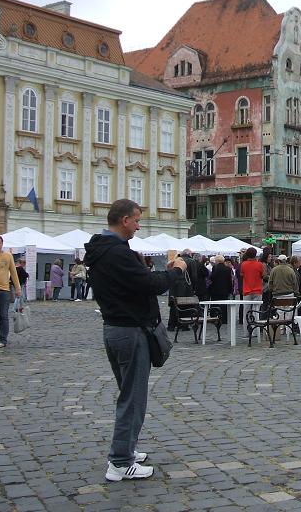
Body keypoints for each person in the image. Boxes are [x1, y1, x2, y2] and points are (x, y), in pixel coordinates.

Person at [84, 199, 187, 481]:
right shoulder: (117, 253)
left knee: (128, 393)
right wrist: (176, 270)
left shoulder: (101, 250)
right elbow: (150, 285)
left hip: (115, 327)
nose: (139, 226)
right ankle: (120, 462)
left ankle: (126, 448)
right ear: (125, 220)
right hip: (131, 330)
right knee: (133, 398)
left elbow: (136, 282)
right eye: (137, 220)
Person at [239, 248, 265, 336]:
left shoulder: (243, 264)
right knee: (256, 311)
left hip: (247, 290)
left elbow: (242, 274)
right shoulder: (259, 264)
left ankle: (246, 332)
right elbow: (262, 275)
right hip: (257, 290)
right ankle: (256, 332)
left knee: (246, 312)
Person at [208, 255, 233, 323]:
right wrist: (230, 290)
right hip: (225, 289)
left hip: (215, 289)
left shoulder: (215, 268)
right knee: (224, 305)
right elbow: (229, 280)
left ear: (217, 261)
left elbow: (212, 278)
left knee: (214, 303)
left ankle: (213, 317)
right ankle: (224, 318)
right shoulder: (228, 269)